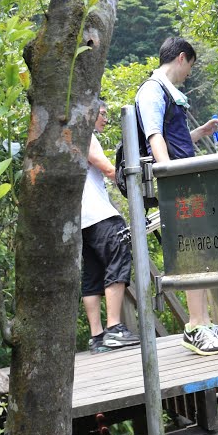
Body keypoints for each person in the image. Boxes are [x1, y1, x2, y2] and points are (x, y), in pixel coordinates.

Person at [136, 37, 218, 356]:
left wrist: (204, 131)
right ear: (182, 59)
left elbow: (177, 139)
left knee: (200, 249)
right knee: (192, 252)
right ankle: (194, 326)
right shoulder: (153, 90)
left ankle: (205, 321)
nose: (188, 74)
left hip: (187, 181)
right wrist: (170, 177)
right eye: (190, 67)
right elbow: (155, 137)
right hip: (178, 184)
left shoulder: (169, 93)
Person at [81, 99, 140, 354]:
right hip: (99, 214)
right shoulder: (86, 136)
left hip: (81, 220)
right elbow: (107, 168)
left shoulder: (68, 137)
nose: (105, 119)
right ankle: (114, 328)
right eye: (102, 114)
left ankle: (97, 336)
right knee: (119, 255)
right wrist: (132, 182)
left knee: (92, 273)